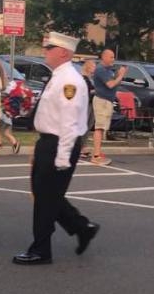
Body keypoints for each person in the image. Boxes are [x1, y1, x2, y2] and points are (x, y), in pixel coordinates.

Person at [13, 31, 100, 266]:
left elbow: (70, 123)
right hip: (50, 143)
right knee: (47, 196)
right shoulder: (59, 76)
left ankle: (41, 250)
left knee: (44, 199)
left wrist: (62, 158)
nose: (45, 52)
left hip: (59, 145)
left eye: (49, 48)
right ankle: (82, 228)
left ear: (63, 52)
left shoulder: (68, 80)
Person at [92, 49, 128, 167]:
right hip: (101, 100)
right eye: (111, 57)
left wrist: (119, 74)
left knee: (102, 128)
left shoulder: (107, 70)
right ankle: (96, 156)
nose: (113, 59)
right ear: (104, 57)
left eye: (114, 57)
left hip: (107, 101)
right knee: (99, 127)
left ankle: (98, 152)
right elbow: (110, 84)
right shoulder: (101, 69)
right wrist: (121, 75)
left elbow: (114, 82)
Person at [79, 59, 96, 161]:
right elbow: (86, 92)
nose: (94, 69)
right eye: (93, 66)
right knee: (83, 125)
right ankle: (80, 147)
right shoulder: (84, 78)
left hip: (91, 103)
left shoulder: (91, 78)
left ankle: (83, 146)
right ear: (88, 67)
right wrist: (96, 90)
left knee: (88, 126)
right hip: (86, 104)